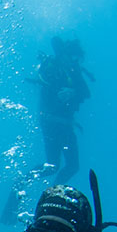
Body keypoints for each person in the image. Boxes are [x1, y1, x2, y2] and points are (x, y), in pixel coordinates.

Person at [29, 36, 91, 185]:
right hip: (52, 124)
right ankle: (25, 182)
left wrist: (73, 92)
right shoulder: (51, 68)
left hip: (65, 125)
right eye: (71, 57)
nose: (73, 61)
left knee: (67, 166)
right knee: (54, 166)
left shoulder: (73, 71)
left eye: (75, 58)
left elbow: (86, 92)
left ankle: (52, 191)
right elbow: (46, 93)